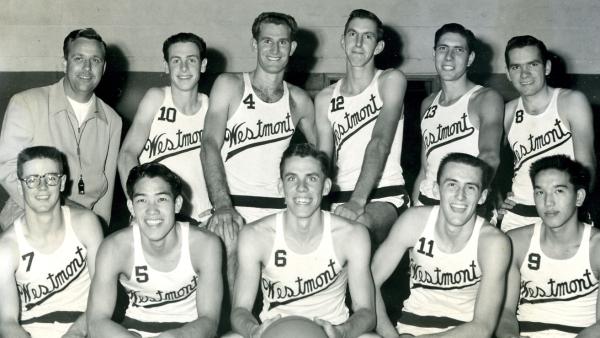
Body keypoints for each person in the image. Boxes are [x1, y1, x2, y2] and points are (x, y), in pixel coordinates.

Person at [201, 12, 317, 288]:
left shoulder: (300, 100)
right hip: (233, 205)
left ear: (292, 47)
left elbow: (322, 156)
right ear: (255, 45)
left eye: (282, 42)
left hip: (278, 209)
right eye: (267, 41)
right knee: (230, 268)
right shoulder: (230, 85)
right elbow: (209, 145)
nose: (274, 50)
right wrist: (222, 205)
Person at [230, 143, 376, 338]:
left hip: (331, 331)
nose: (301, 188)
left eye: (312, 178)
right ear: (281, 187)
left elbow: (366, 312)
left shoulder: (352, 234)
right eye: (292, 178)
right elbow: (239, 310)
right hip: (276, 332)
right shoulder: (255, 235)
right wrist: (253, 331)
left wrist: (342, 331)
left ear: (326, 187)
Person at [372, 153, 510, 337]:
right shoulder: (414, 221)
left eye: (470, 187)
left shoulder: (493, 243)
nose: (460, 196)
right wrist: (390, 335)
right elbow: (370, 281)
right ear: (436, 189)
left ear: (483, 196)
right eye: (452, 185)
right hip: (408, 329)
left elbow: (483, 327)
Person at [0, 28, 122, 229]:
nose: (87, 68)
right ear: (65, 63)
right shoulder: (27, 103)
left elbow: (105, 195)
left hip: (84, 227)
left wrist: (98, 234)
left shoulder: (113, 121)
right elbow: (7, 168)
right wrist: (66, 215)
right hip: (29, 215)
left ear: (104, 67)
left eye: (95, 60)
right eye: (78, 58)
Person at [87, 163, 222, 337]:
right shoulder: (114, 248)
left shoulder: (205, 245)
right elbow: (96, 322)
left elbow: (210, 321)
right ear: (131, 207)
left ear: (177, 204)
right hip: (134, 331)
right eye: (142, 200)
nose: (152, 210)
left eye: (162, 199)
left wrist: (175, 336)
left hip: (189, 332)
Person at [315, 9, 409, 243]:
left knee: (358, 228)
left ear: (378, 47)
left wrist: (358, 201)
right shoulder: (325, 97)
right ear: (343, 40)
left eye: (367, 36)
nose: (358, 43)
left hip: (382, 193)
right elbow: (324, 158)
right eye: (352, 34)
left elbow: (380, 142)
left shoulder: (390, 80)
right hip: (339, 196)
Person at [0, 146, 103, 338]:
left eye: (50, 178)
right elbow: (7, 322)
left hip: (86, 327)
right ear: (20, 186)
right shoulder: (7, 246)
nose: (42, 187)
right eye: (32, 180)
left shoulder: (86, 224)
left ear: (62, 183)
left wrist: (76, 332)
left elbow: (103, 296)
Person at [496, 155, 600, 338]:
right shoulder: (515, 242)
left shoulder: (596, 247)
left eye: (558, 191)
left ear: (579, 197)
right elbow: (504, 312)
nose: (548, 202)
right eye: (540, 192)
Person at [500, 35, 596, 231]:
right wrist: (495, 196)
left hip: (564, 212)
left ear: (547, 67)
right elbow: (487, 160)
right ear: (508, 73)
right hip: (519, 214)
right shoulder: (507, 111)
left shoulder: (571, 102)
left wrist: (576, 207)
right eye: (516, 67)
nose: (524, 74)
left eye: (532, 65)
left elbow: (587, 165)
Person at [118, 32, 211, 223]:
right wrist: (138, 205)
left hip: (201, 216)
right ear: (166, 66)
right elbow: (127, 154)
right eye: (176, 60)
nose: (183, 67)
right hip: (155, 213)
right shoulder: (157, 98)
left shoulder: (211, 106)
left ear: (203, 65)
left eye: (191, 60)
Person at [412, 23, 503, 208]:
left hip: (463, 201)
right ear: (434, 53)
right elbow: (425, 168)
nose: (449, 56)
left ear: (470, 58)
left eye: (458, 50)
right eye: (443, 48)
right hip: (427, 200)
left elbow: (490, 156)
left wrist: (469, 198)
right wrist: (413, 206)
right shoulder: (428, 103)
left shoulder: (486, 98)